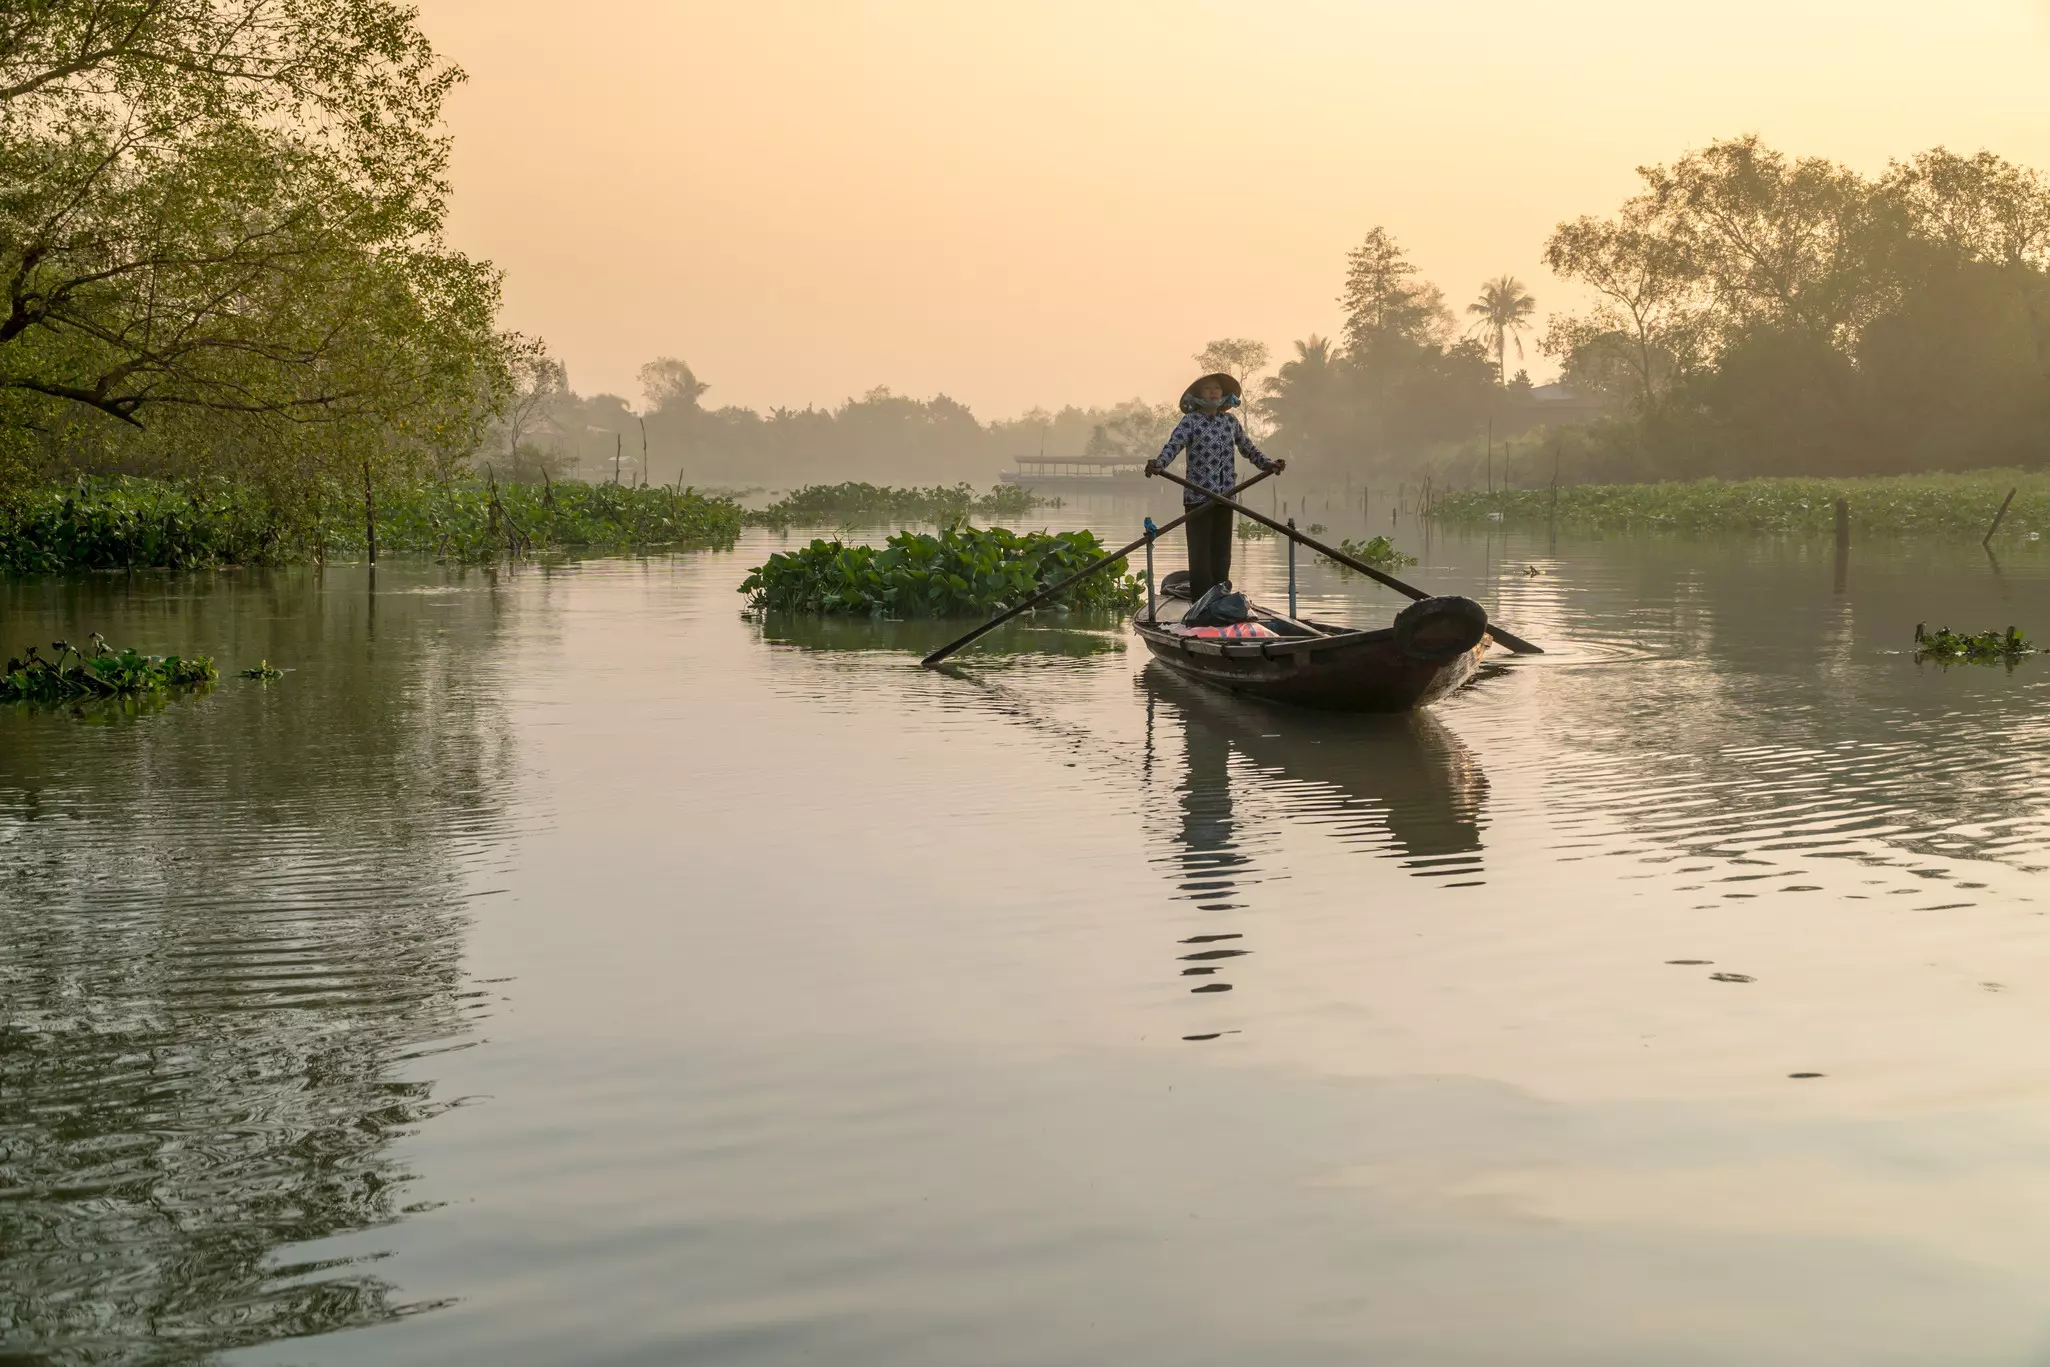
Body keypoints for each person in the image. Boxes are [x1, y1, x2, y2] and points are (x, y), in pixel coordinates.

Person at [1146, 372, 1284, 597]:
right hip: (1198, 498)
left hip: (1226, 495)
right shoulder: (1190, 422)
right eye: (1207, 388)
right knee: (1200, 555)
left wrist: (1268, 465)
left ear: (1223, 394)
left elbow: (1248, 449)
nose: (1213, 392)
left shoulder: (1230, 422)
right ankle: (1201, 601)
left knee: (1222, 554)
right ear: (1198, 394)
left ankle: (1220, 597)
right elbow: (1173, 446)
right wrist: (1159, 464)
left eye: (1217, 388)